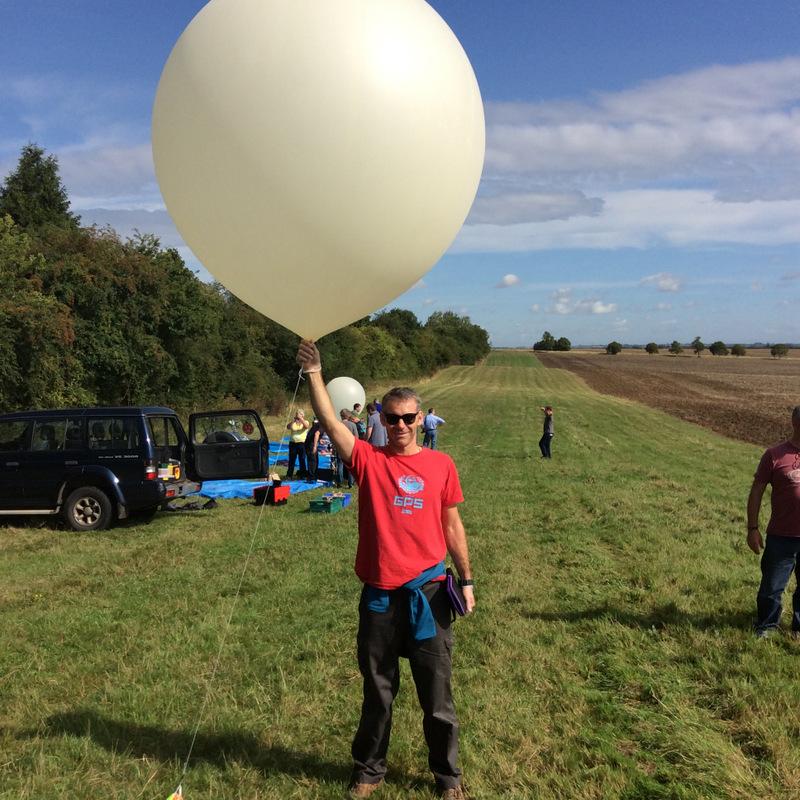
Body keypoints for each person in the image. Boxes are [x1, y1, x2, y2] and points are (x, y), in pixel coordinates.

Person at [297, 339, 475, 800]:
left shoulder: (441, 465)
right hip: (379, 596)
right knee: (377, 695)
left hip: (430, 595)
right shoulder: (368, 461)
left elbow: (453, 525)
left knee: (437, 700)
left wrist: (467, 579)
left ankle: (448, 778)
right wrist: (315, 372)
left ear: (421, 419)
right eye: (391, 417)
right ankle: (369, 771)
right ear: (382, 418)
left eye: (408, 418)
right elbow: (332, 425)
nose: (400, 426)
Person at [747, 405, 800, 637]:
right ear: (795, 423)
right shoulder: (775, 455)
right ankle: (767, 625)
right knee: (771, 587)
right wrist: (752, 528)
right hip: (781, 537)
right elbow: (757, 490)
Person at [286, 409, 311, 479]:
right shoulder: (294, 423)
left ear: (303, 415)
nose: (297, 416)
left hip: (302, 443)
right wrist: (293, 421)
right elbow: (288, 427)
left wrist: (301, 420)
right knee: (291, 460)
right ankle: (289, 475)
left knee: (302, 459)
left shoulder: (306, 422)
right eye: (297, 414)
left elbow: (306, 426)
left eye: (299, 414)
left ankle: (303, 475)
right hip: (293, 443)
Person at [305, 417, 322, 482]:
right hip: (310, 444)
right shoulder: (322, 425)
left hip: (309, 442)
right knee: (313, 460)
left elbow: (314, 434)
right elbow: (316, 434)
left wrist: (320, 440)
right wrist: (315, 446)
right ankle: (311, 477)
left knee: (314, 460)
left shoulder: (317, 424)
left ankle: (312, 475)